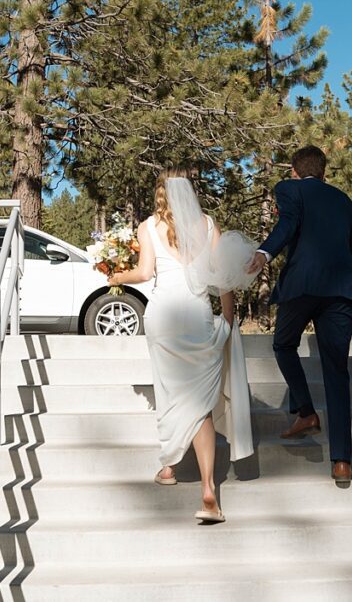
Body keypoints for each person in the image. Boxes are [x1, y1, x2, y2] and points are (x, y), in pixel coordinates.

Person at [110, 167, 256, 523]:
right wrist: (227, 319)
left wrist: (116, 276)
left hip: (163, 318)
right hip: (196, 314)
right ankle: (209, 491)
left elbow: (144, 274)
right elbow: (223, 279)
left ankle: (169, 467)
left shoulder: (148, 227)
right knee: (201, 404)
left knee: (171, 393)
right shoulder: (207, 225)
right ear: (188, 191)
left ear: (160, 192)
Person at [247, 145, 352, 487]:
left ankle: (306, 411)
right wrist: (344, 276)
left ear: (295, 171)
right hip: (341, 290)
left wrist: (264, 253)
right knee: (336, 372)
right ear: (324, 172)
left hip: (302, 285)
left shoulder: (289, 189)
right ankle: (342, 462)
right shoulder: (343, 199)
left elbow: (288, 225)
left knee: (284, 345)